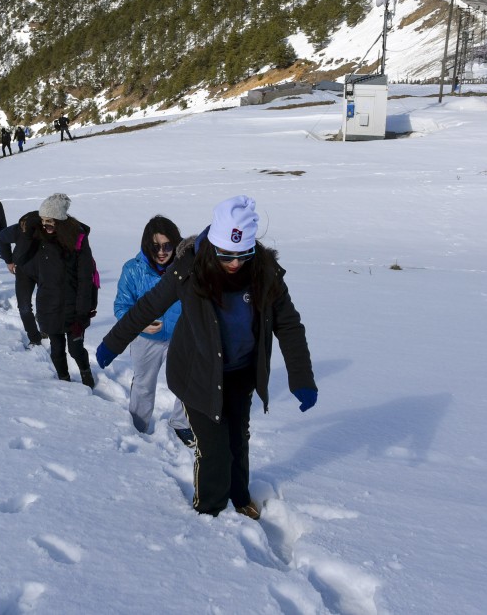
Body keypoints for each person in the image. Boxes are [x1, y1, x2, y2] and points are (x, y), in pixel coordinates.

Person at [96, 196, 317, 520]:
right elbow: (147, 306)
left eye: (243, 255)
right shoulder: (189, 270)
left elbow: (288, 325)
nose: (234, 264)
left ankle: (240, 497)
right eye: (226, 255)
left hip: (241, 373)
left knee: (238, 440)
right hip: (196, 373)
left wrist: (301, 378)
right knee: (214, 451)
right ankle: (209, 514)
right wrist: (112, 344)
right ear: (214, 245)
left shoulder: (264, 273)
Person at [113, 215, 195, 447]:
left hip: (180, 338)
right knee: (143, 385)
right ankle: (138, 424)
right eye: (155, 246)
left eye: (167, 245)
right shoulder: (132, 269)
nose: (161, 252)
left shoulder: (187, 268)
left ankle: (181, 424)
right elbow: (121, 306)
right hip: (146, 340)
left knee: (186, 384)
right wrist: (140, 324)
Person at [23, 193, 98, 387]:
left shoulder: (78, 240)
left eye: (50, 222)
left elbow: (85, 278)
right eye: (42, 221)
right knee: (56, 350)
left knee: (75, 348)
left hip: (73, 306)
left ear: (60, 221)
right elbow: (20, 258)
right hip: (49, 304)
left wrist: (82, 313)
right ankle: (63, 379)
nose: (45, 226)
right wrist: (29, 228)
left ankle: (85, 371)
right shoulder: (38, 238)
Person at [0, 210, 41, 345]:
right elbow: (2, 237)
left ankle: (45, 328)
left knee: (46, 306)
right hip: (24, 271)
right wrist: (9, 260)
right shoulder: (19, 230)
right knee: (24, 307)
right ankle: (34, 339)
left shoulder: (49, 233)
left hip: (45, 273)